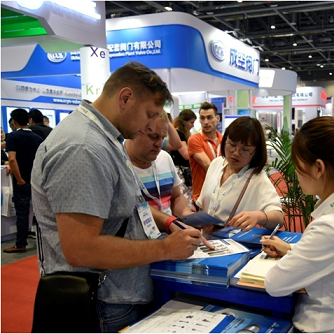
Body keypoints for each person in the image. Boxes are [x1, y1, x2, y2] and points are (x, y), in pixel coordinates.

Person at [31, 61, 210, 333]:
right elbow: (81, 248)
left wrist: (168, 222)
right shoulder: (83, 147)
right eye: (149, 114)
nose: (150, 126)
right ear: (125, 98)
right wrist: (164, 248)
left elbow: (128, 208)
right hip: (104, 302)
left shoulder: (104, 139)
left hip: (119, 295)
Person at [261, 116, 334, 333]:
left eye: (297, 165)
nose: (295, 174)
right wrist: (292, 250)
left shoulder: (331, 226)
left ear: (318, 168)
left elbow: (274, 284)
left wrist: (290, 259)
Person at [196, 116, 283, 232]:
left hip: (234, 246)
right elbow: (203, 205)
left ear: (255, 152)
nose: (236, 153)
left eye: (245, 149)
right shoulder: (216, 164)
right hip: (204, 243)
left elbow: (279, 218)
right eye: (232, 145)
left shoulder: (257, 178)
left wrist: (258, 216)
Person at [124, 110, 192, 218]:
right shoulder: (118, 165)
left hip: (169, 232)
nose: (159, 144)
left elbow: (176, 196)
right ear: (132, 131)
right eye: (153, 137)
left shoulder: (164, 158)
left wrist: (186, 214)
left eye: (163, 138)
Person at [3, 109, 43, 253]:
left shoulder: (13, 137)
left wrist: (19, 179)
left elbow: (12, 159)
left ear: (13, 121)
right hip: (36, 181)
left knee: (22, 214)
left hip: (22, 183)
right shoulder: (37, 138)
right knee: (39, 213)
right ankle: (43, 242)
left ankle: (20, 244)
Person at [188, 102, 222, 204]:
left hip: (222, 195)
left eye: (209, 117)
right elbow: (209, 167)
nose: (206, 122)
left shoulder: (224, 140)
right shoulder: (195, 139)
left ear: (217, 118)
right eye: (202, 118)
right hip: (203, 197)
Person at [170, 109, 197, 208]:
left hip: (182, 172)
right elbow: (186, 154)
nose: (193, 126)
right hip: (181, 172)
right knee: (186, 201)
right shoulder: (179, 134)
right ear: (184, 122)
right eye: (191, 122)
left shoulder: (180, 134)